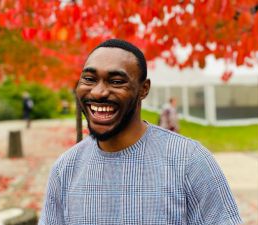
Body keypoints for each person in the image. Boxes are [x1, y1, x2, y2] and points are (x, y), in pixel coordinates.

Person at [39, 39, 242, 225]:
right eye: (89, 79)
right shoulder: (65, 169)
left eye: (117, 81)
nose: (98, 92)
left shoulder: (189, 162)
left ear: (144, 89)